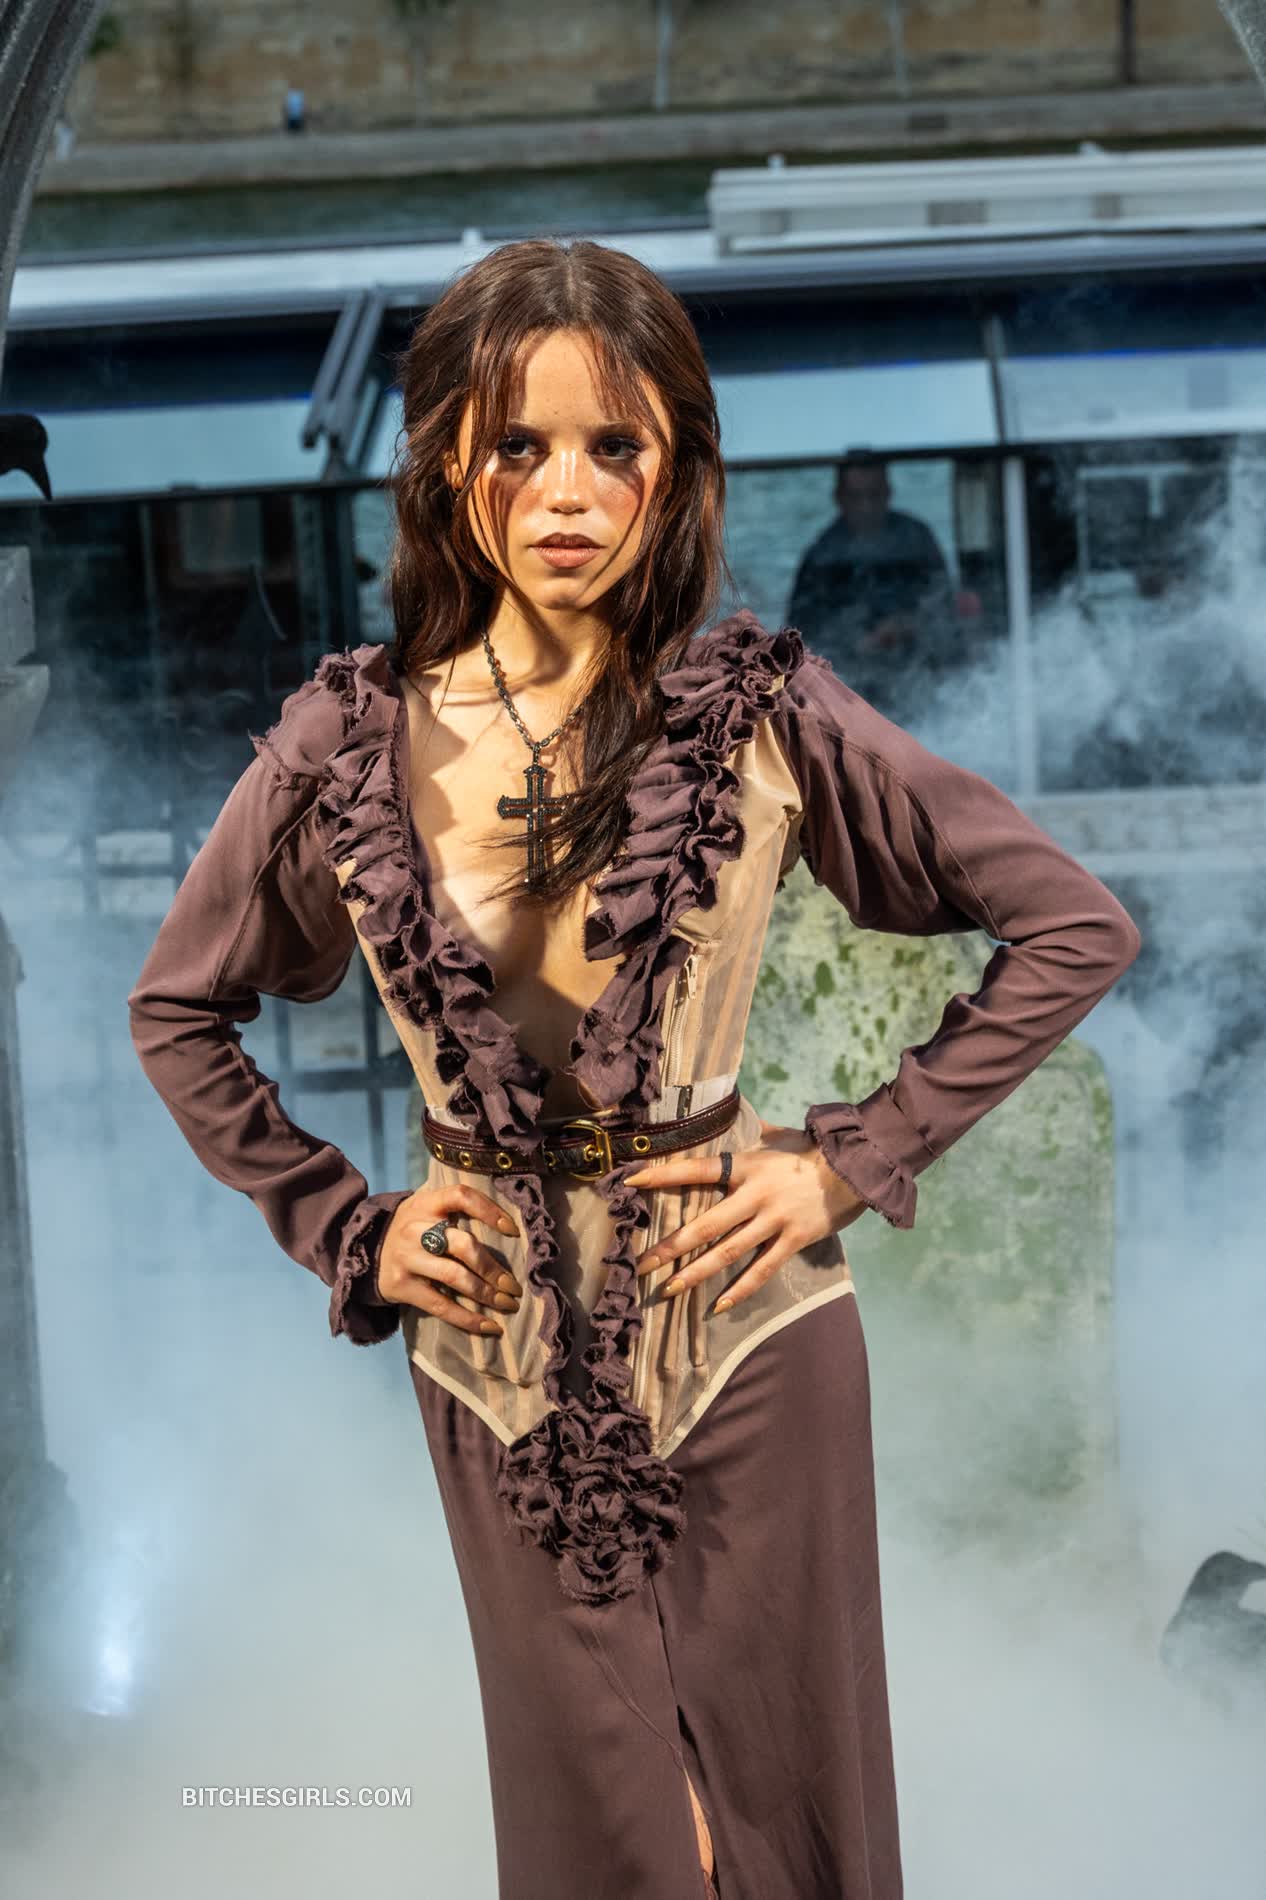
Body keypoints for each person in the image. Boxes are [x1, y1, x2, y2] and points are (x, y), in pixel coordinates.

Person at [127, 238, 1142, 1900]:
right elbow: (178, 1009)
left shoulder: (760, 713)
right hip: (497, 1359)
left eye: (617, 446)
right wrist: (348, 1226)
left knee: (780, 1828)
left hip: (750, 1332)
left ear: (675, 467)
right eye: (516, 446)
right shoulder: (343, 744)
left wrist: (844, 1160)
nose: (566, 494)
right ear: (444, 460)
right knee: (619, 1842)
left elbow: (1070, 925)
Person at [787, 448, 960, 719]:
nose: (866, 506)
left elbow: (945, 608)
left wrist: (907, 625)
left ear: (888, 493)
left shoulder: (917, 538)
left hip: (919, 675)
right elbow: (800, 639)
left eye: (874, 495)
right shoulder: (821, 556)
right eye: (857, 497)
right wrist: (859, 644)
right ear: (839, 498)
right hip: (849, 687)